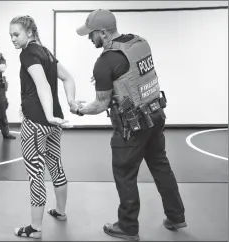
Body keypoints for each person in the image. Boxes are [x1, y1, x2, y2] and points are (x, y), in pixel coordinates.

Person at [73, 9, 186, 241]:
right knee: (160, 165)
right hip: (155, 116)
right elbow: (132, 75)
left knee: (125, 175)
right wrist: (109, 79)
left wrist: (80, 109)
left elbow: (101, 104)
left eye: (91, 34)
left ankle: (127, 227)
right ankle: (176, 216)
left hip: (132, 127)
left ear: (103, 33)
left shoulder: (105, 61)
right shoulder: (139, 43)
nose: (88, 38)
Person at [9, 15, 82, 239]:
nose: (13, 39)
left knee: (35, 174)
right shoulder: (46, 53)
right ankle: (60, 212)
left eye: (16, 34)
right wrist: (70, 103)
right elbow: (68, 78)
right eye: (11, 35)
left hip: (36, 123)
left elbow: (41, 84)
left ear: (29, 33)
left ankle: (35, 228)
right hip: (53, 124)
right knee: (55, 165)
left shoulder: (28, 53)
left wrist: (48, 114)